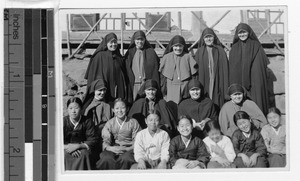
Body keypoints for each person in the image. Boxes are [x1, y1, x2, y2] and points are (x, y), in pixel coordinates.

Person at [229, 23, 269, 115]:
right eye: (240, 33)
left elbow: (259, 66)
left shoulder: (256, 45)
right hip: (240, 81)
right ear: (236, 34)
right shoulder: (234, 48)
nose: (242, 34)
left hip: (254, 81)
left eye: (244, 32)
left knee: (256, 100)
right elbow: (233, 68)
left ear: (249, 32)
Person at [84, 32, 131, 103]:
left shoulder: (119, 57)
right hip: (105, 89)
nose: (113, 45)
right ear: (106, 43)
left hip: (117, 89)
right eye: (111, 43)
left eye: (115, 42)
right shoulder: (99, 56)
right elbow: (94, 75)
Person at [96, 98, 141, 170]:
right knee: (106, 158)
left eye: (123, 108)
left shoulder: (133, 122)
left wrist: (127, 149)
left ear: (127, 109)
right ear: (113, 110)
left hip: (129, 148)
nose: (120, 111)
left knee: (126, 159)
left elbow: (138, 140)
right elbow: (106, 140)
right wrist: (110, 148)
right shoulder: (110, 123)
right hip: (113, 148)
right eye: (117, 108)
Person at [194, 27, 229, 110]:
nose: (208, 39)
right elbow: (196, 70)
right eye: (206, 37)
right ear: (203, 39)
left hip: (217, 80)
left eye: (210, 37)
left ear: (214, 38)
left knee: (217, 98)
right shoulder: (199, 51)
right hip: (204, 80)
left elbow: (225, 69)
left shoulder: (220, 50)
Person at [159, 35, 198, 104]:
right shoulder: (167, 57)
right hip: (170, 87)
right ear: (172, 47)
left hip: (185, 86)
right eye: (175, 46)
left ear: (183, 47)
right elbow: (163, 77)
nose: (178, 48)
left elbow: (194, 76)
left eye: (180, 46)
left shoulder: (188, 57)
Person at [124, 30, 160, 101]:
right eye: (138, 39)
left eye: (142, 39)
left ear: (145, 40)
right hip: (134, 85)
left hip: (146, 85)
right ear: (134, 40)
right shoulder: (130, 53)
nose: (140, 41)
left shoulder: (151, 52)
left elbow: (155, 69)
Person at [64, 97, 98, 170]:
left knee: (84, 154)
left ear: (81, 109)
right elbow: (56, 141)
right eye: (70, 108)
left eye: (76, 108)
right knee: (65, 155)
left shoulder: (87, 121)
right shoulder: (63, 121)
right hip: (66, 148)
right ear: (67, 109)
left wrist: (78, 146)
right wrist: (69, 148)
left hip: (83, 148)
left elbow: (93, 140)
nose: (73, 111)